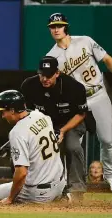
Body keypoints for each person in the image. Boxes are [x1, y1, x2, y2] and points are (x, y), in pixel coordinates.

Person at [45, 12, 112, 190]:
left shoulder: (85, 41)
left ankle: (111, 177)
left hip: (97, 94)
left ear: (66, 26)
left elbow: (107, 60)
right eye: (52, 26)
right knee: (72, 145)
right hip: (75, 104)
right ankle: (69, 183)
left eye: (59, 25)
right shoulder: (51, 57)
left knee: (108, 140)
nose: (56, 29)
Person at [21, 56, 88, 201]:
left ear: (57, 73)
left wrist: (63, 130)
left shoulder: (74, 87)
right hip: (43, 124)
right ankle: (39, 186)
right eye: (42, 75)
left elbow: (81, 114)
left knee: (72, 147)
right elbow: (26, 112)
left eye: (49, 75)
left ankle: (76, 189)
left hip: (71, 122)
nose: (45, 78)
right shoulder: (28, 85)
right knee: (42, 151)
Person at [0, 90, 65, 204]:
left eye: (3, 111)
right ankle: (62, 196)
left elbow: (21, 173)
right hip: (61, 184)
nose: (2, 115)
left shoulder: (16, 132)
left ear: (12, 110)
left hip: (40, 193)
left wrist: (10, 199)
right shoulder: (41, 116)